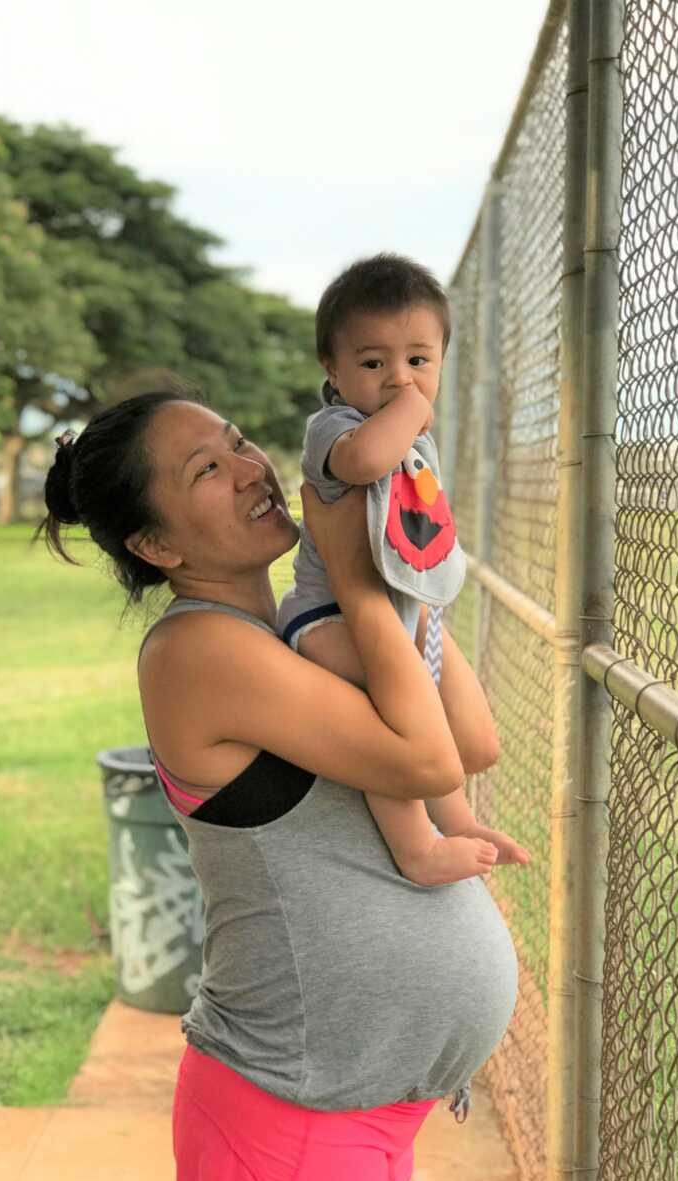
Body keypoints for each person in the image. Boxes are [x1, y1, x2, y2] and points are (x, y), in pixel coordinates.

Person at [41, 381, 519, 1181]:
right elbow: (428, 766)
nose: (249, 468)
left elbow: (474, 743)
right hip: (288, 1123)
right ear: (155, 544)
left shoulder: (304, 633)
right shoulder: (198, 651)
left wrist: (399, 576)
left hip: (350, 1112)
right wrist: (361, 586)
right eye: (206, 470)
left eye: (236, 439)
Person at [278, 254, 530, 886]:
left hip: (406, 619)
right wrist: (413, 411)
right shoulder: (334, 427)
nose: (399, 379)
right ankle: (415, 845)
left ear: (442, 361)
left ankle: (458, 821)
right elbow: (364, 461)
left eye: (419, 361)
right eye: (372, 363)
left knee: (461, 743)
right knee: (390, 722)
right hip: (328, 618)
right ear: (332, 371)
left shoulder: (416, 440)